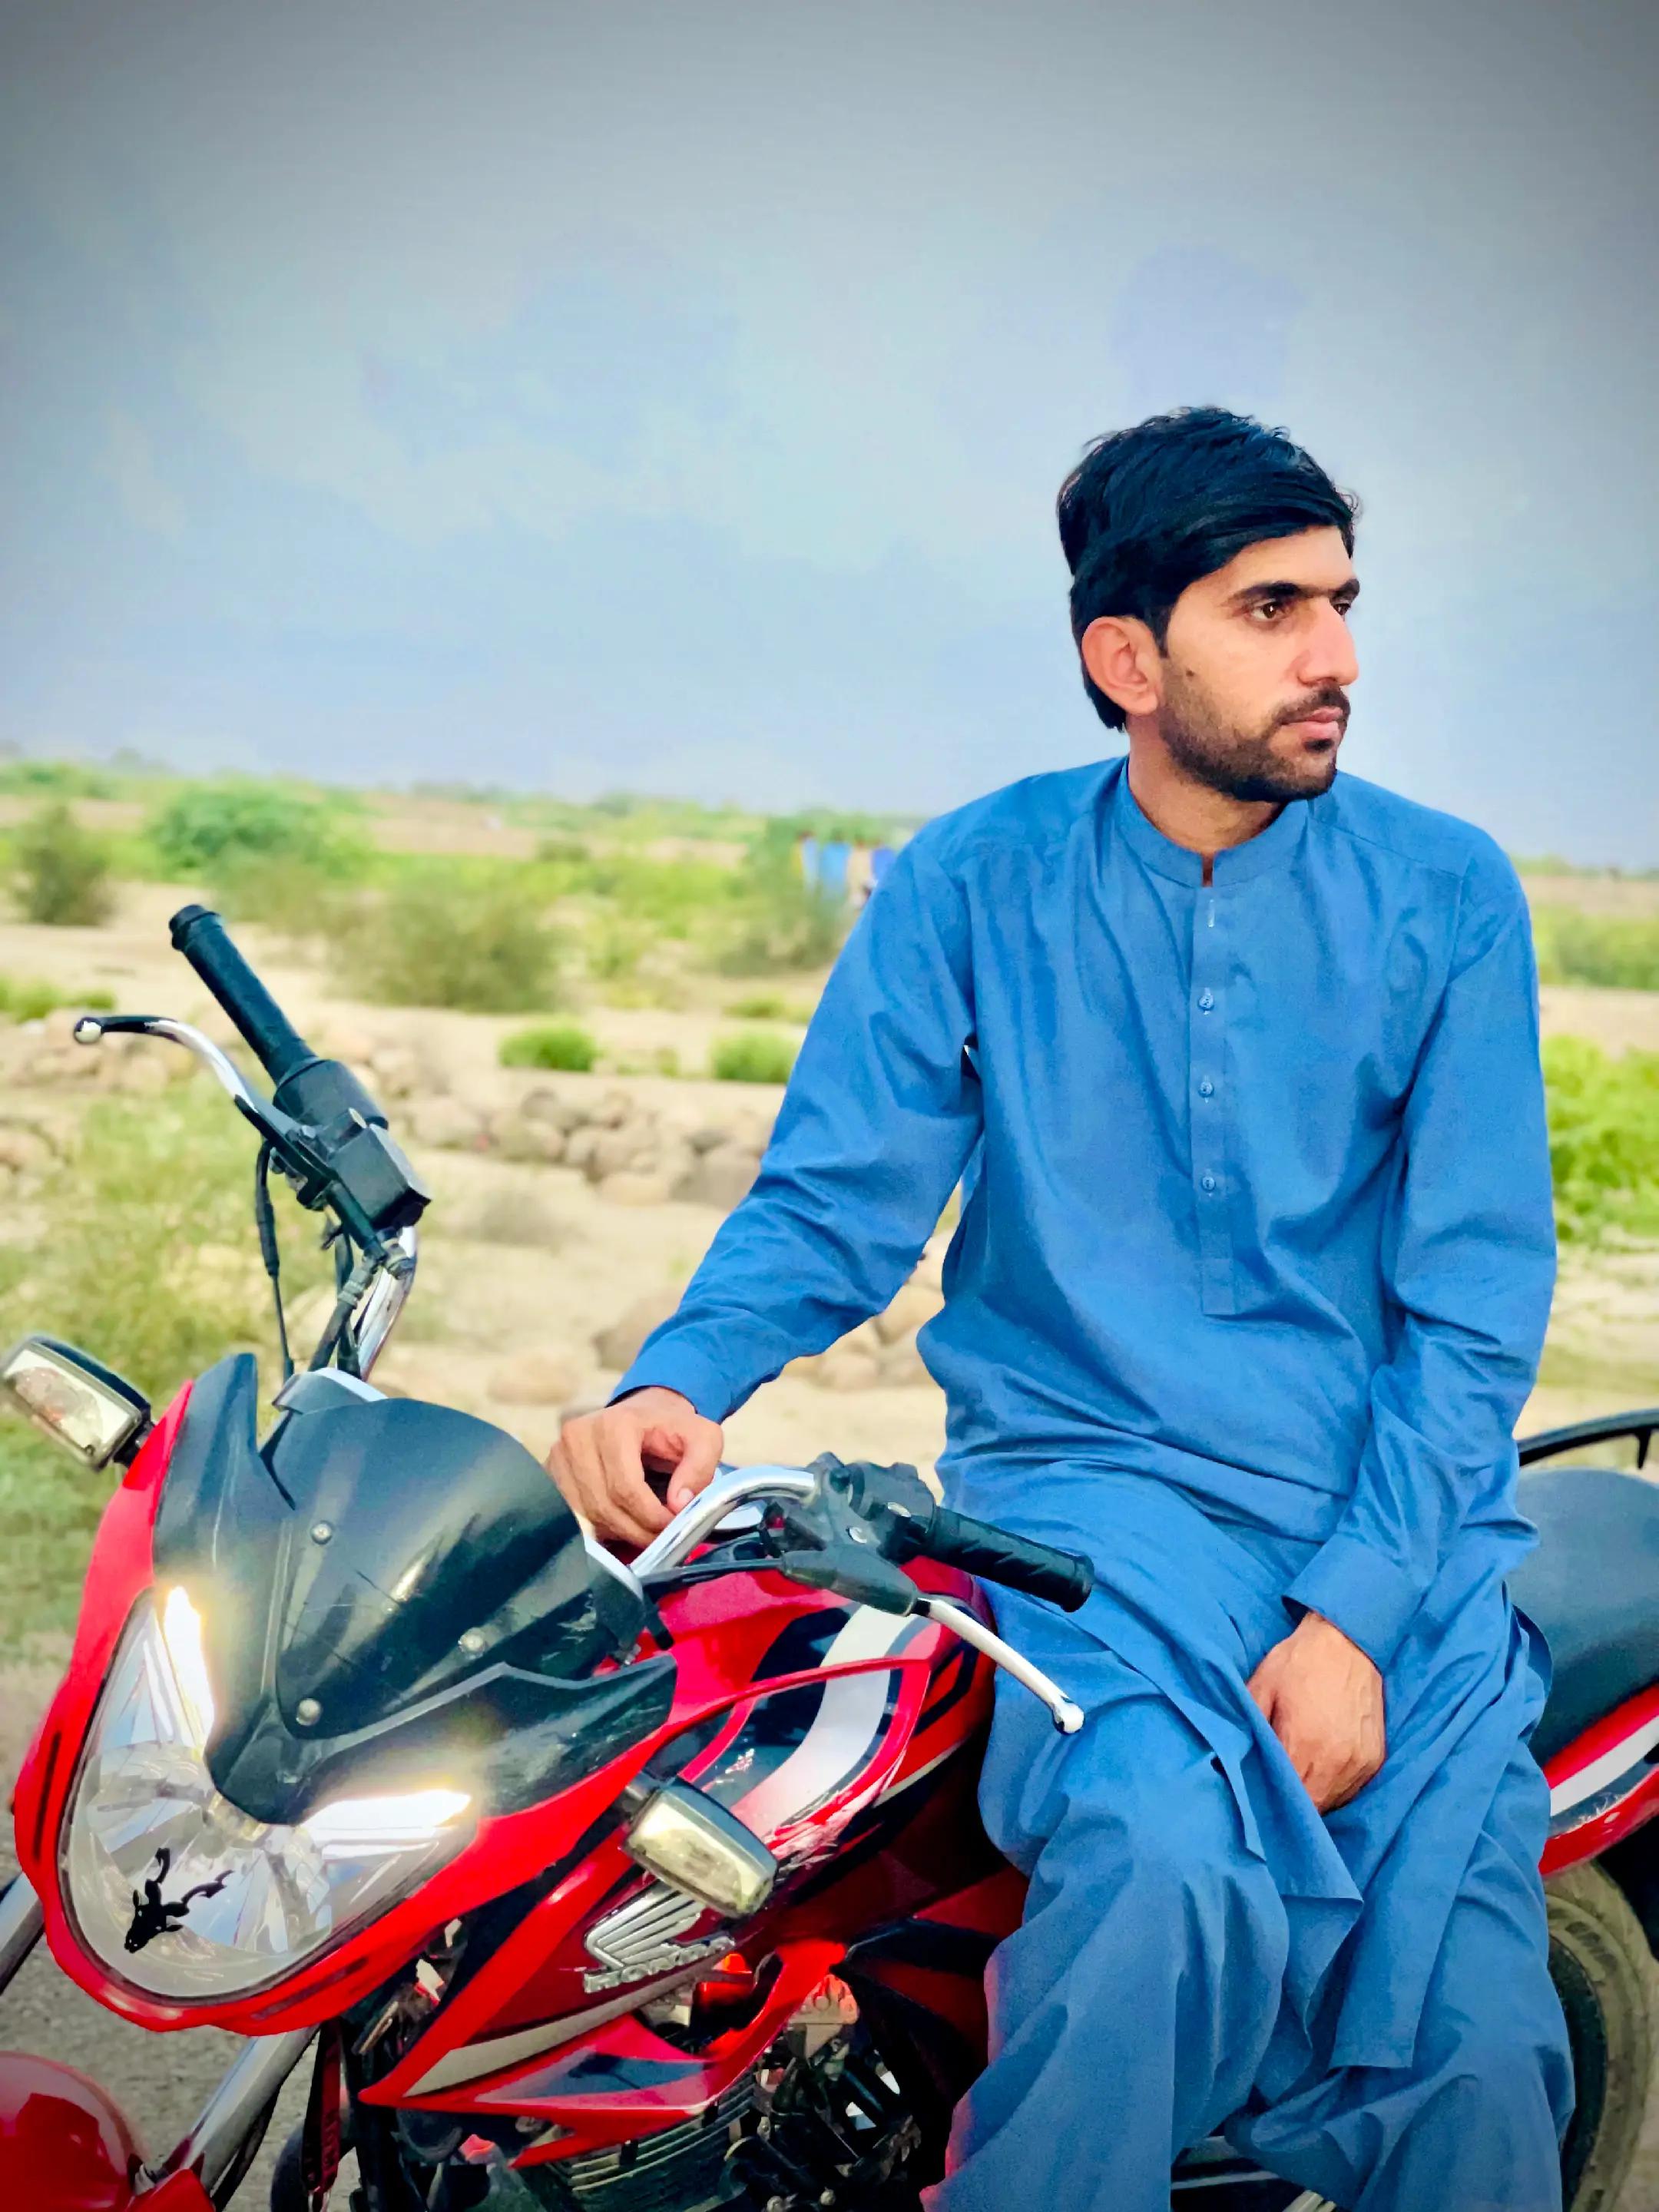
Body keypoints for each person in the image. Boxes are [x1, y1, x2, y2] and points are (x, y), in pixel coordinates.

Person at [550, 406, 1572, 2210]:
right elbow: (838, 1198)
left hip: (1393, 1524)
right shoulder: (974, 881)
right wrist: (680, 1378)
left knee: (1478, 2058)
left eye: (1341, 603)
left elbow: (1476, 1307)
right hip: (1092, 1520)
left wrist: (1354, 1617)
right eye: (1270, 609)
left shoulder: (1446, 896)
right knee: (1150, 1872)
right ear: (1128, 661)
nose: (1335, 657)